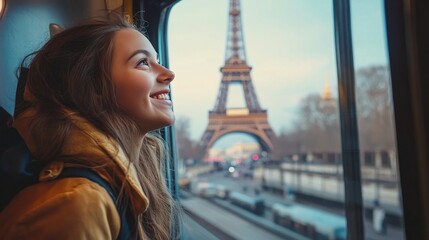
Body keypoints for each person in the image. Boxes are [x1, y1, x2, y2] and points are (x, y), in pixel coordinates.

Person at [0, 14, 180, 240]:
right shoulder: (76, 203)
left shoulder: (115, 182)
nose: (169, 74)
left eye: (158, 60)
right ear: (93, 88)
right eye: (143, 62)